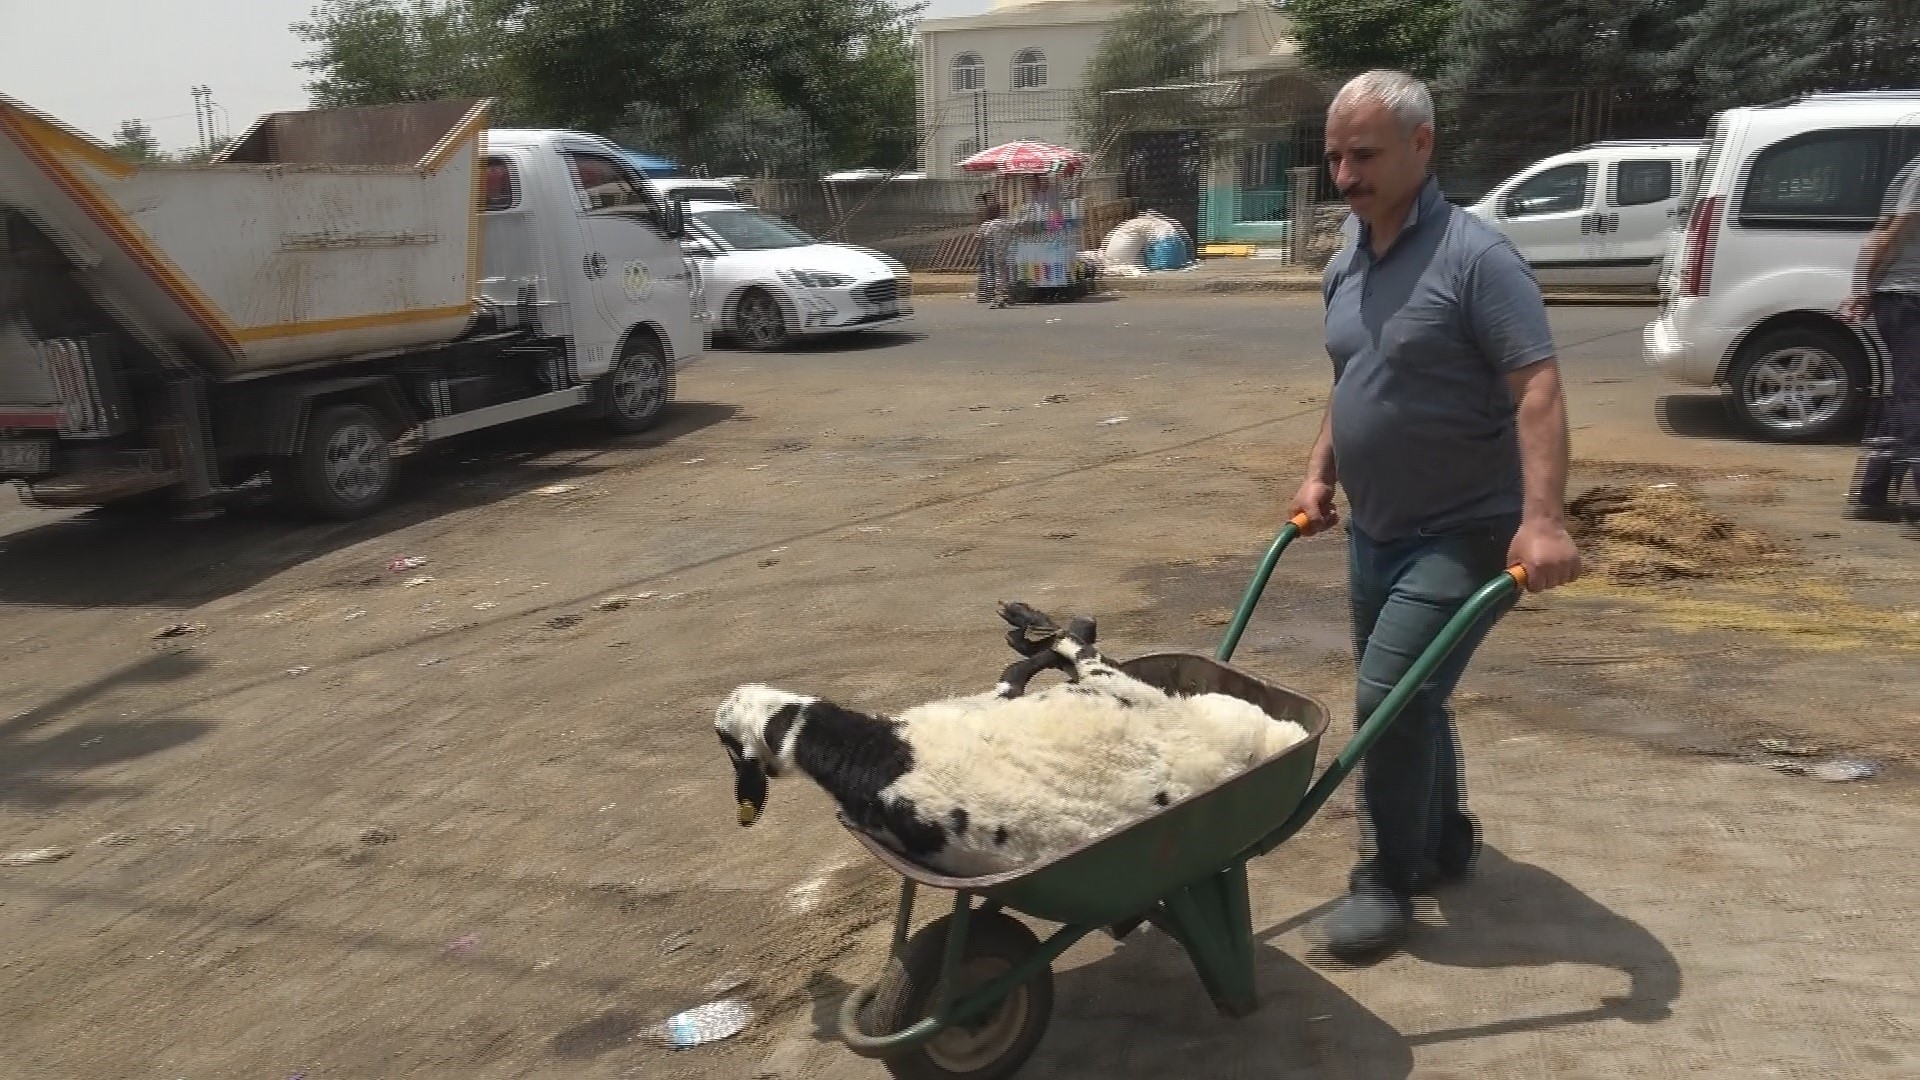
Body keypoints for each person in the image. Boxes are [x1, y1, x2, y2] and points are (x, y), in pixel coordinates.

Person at [1288, 70, 1583, 961]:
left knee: (1387, 700)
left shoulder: (1476, 258)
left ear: (1421, 145)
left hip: (1466, 530)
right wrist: (1318, 474)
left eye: (1364, 154)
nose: (1346, 175)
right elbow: (1353, 379)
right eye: (1336, 157)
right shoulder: (1346, 259)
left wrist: (1544, 519)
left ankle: (1386, 877)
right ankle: (1444, 837)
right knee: (1412, 696)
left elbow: (1537, 387)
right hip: (1375, 531)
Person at [1840, 150, 1920, 540]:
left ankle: (1872, 494)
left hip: (1904, 296)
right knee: (1913, 396)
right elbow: (1890, 233)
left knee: (1907, 393)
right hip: (1909, 297)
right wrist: (1863, 288)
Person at [975, 193, 1013, 308]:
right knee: (1006, 274)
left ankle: (998, 297)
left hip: (994, 253)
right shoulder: (1008, 223)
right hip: (1008, 252)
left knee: (995, 274)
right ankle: (1006, 295)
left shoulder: (990, 224)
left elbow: (983, 236)